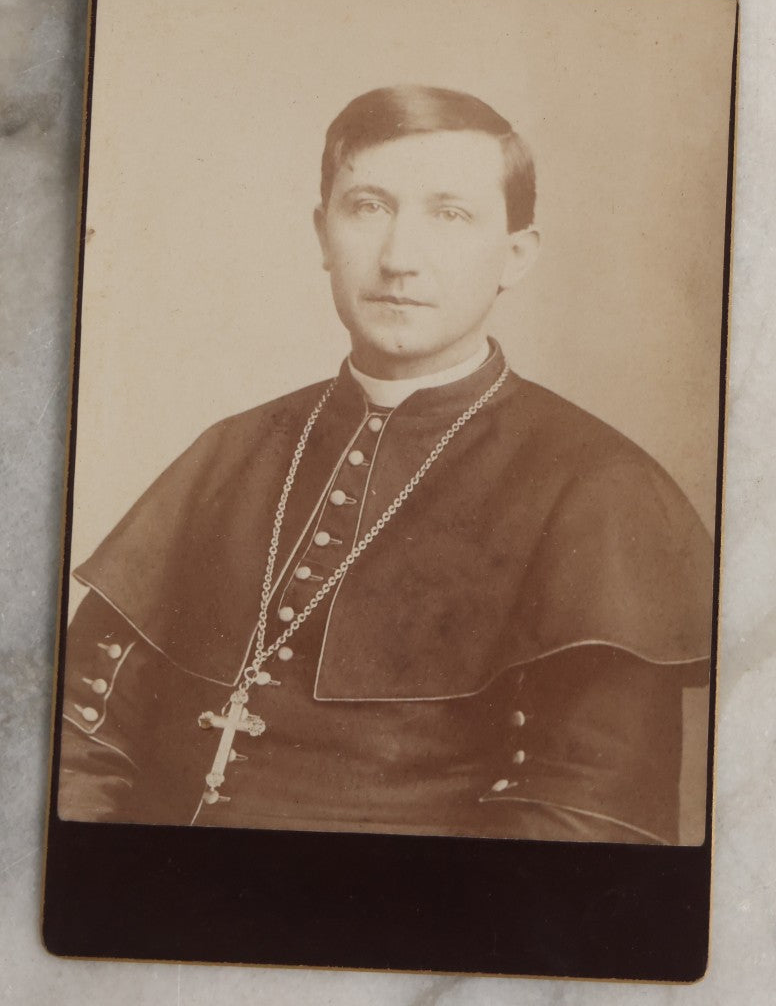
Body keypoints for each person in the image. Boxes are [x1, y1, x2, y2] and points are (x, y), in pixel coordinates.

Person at [57, 85, 713, 844]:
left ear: (517, 254)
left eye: (450, 214)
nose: (400, 258)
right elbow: (80, 745)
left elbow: (583, 831)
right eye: (367, 207)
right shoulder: (231, 450)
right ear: (322, 232)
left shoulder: (600, 490)